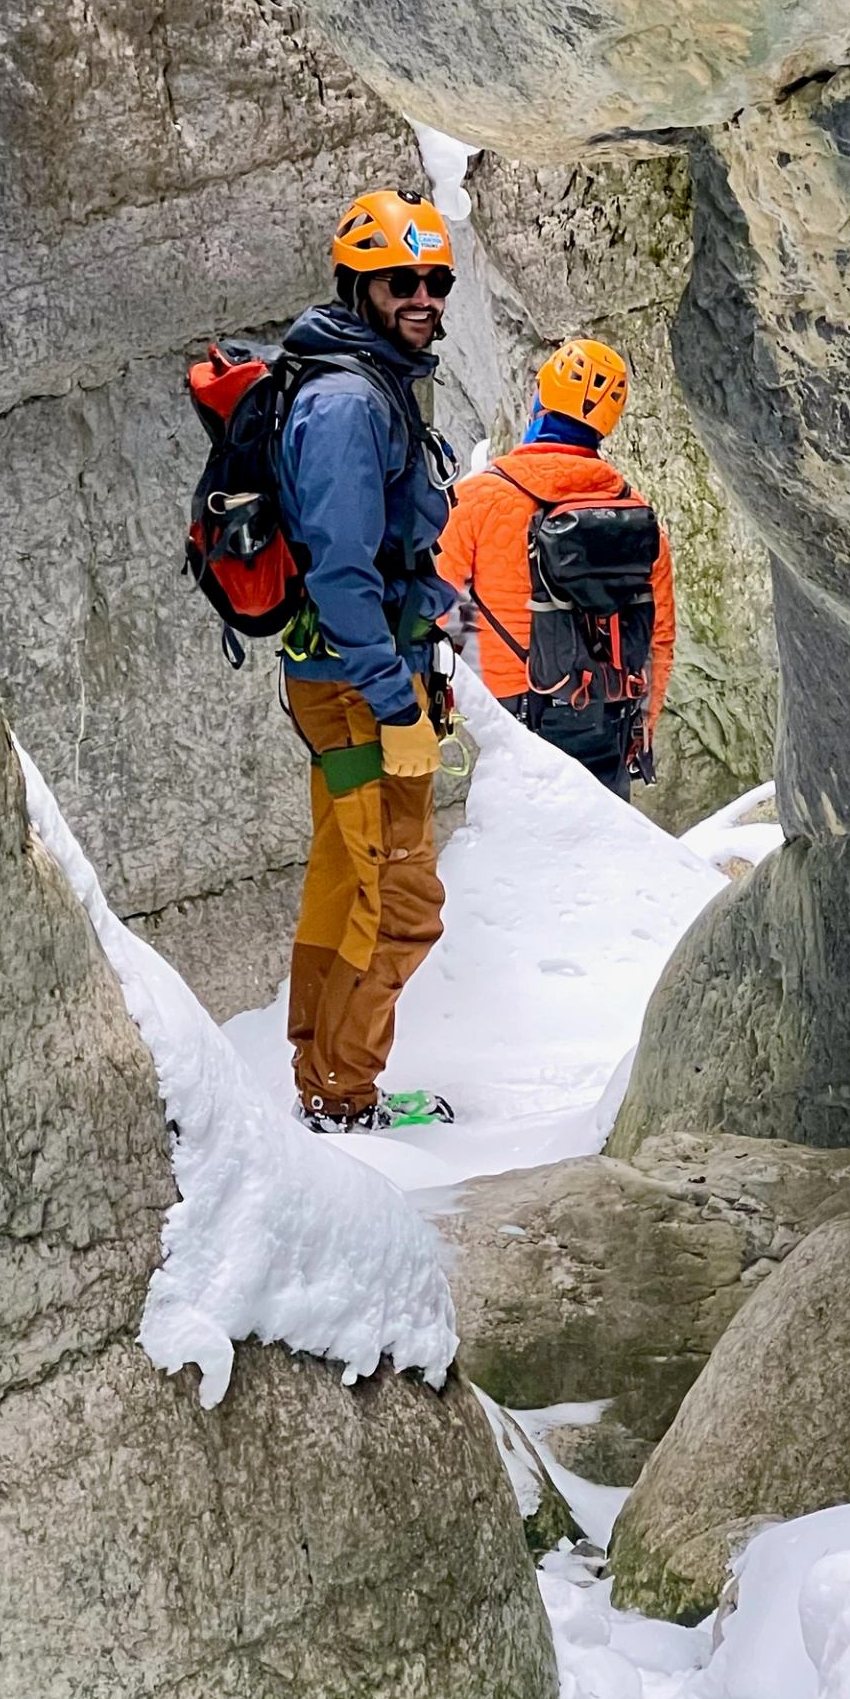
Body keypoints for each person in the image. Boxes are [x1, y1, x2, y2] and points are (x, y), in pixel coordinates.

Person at [275, 187, 461, 1134]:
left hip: (344, 677)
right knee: (402, 901)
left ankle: (321, 1078)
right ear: (358, 285)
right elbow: (341, 568)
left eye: (436, 280)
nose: (423, 296)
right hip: (360, 689)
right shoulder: (350, 400)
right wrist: (398, 704)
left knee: (347, 880)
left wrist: (431, 602)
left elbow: (373, 559)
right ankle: (343, 1097)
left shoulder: (364, 380)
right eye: (401, 281)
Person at [440, 338, 675, 797]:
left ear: (540, 400)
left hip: (515, 713)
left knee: (527, 856)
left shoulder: (479, 499)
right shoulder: (633, 509)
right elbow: (658, 634)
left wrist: (459, 691)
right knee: (605, 854)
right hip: (611, 715)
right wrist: (642, 726)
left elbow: (441, 606)